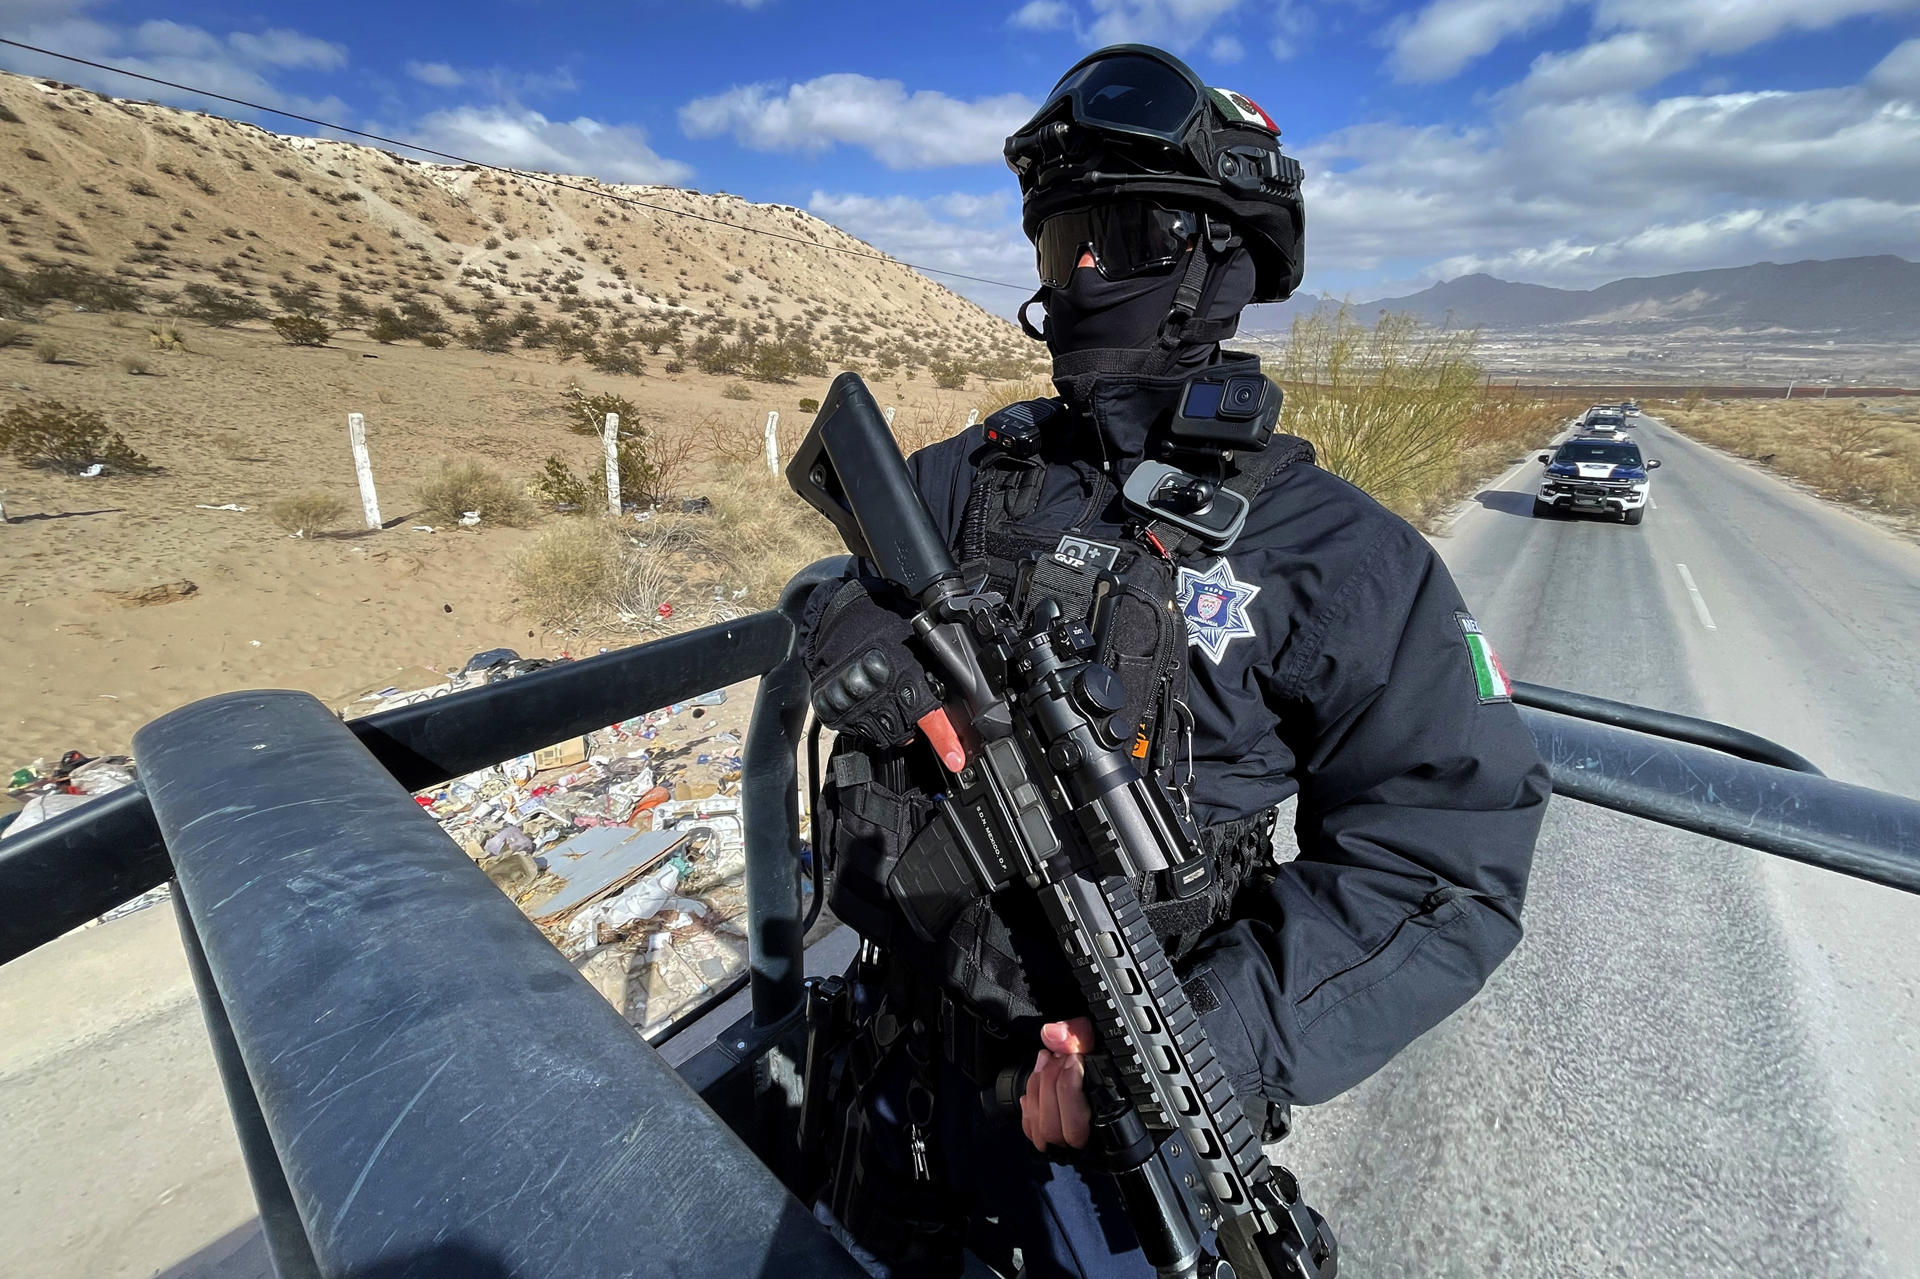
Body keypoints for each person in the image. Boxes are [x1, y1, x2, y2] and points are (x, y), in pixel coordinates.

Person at [800, 43, 1548, 1278]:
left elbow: (1448, 859)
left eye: (1125, 235)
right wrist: (856, 634)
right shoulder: (979, 472)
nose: (1084, 273)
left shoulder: (1337, 555)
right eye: (1061, 242)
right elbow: (841, 582)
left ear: (1217, 262)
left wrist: (1194, 1045)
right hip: (896, 1070)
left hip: (1113, 1131)